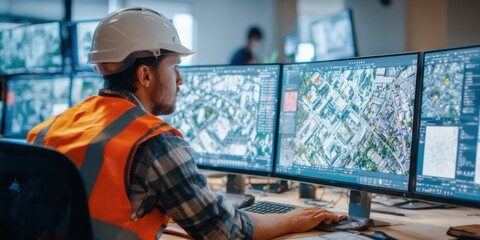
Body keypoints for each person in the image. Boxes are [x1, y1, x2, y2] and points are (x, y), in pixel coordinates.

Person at [27, 7, 347, 240]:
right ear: (145, 74)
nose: (180, 79)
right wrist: (293, 220)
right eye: (175, 66)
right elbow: (226, 232)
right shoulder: (154, 141)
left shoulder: (48, 129)